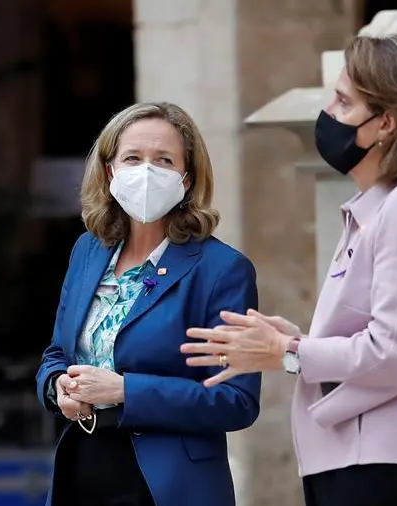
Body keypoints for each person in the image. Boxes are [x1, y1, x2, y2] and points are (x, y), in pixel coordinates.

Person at [181, 34, 397, 506]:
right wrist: (292, 341)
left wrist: (290, 352)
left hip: (391, 466)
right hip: (361, 462)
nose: (329, 114)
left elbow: (395, 349)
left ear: (387, 122)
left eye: (343, 101)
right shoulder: (378, 207)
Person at [36, 102, 262, 506]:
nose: (146, 171)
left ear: (187, 178)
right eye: (133, 158)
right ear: (110, 171)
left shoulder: (221, 270)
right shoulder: (88, 252)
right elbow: (56, 354)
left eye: (164, 160)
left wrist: (126, 390)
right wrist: (58, 388)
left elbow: (236, 402)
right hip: (83, 468)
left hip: (167, 482)